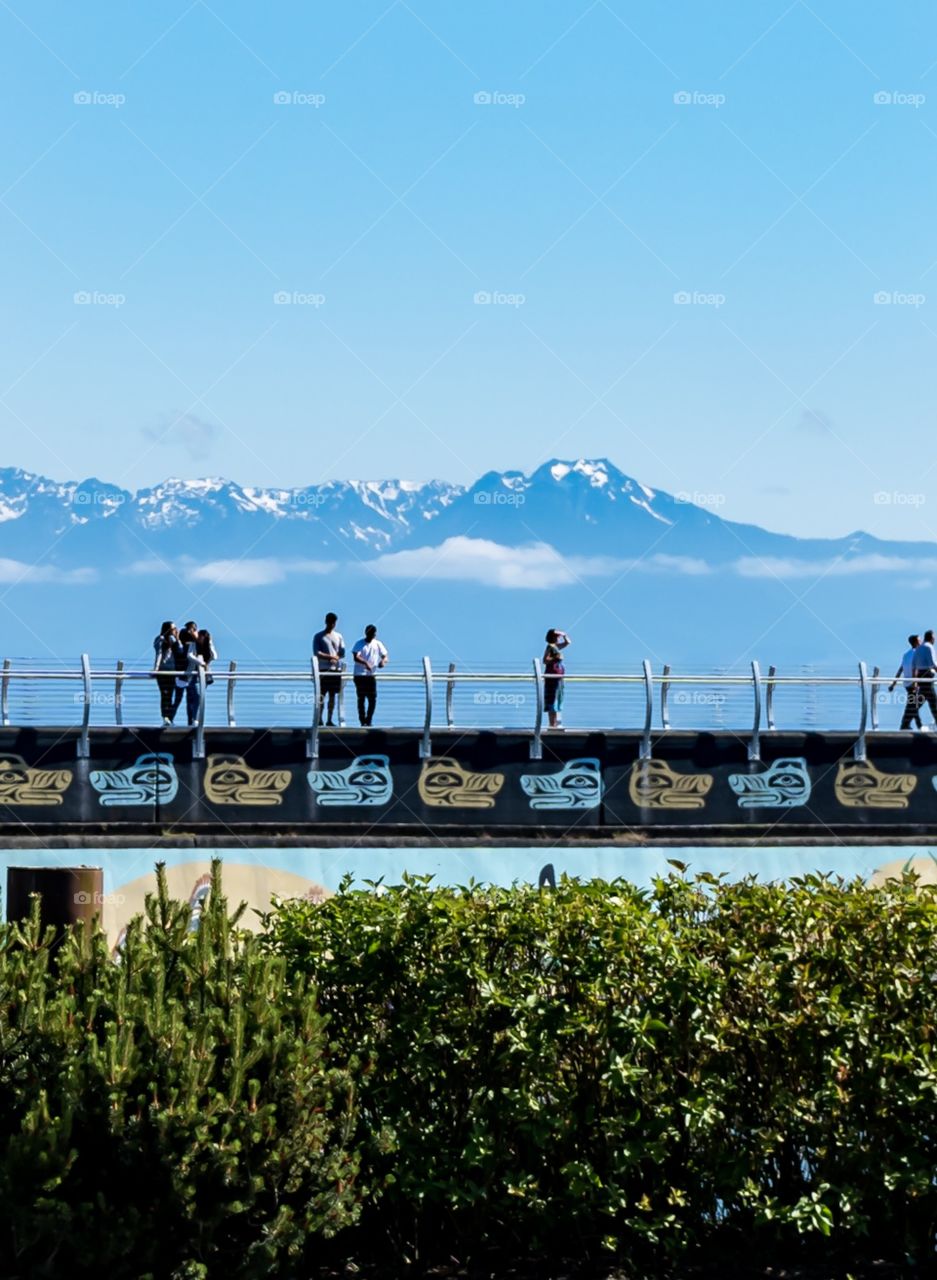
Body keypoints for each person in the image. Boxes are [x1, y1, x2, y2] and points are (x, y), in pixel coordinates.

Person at [352, 624, 389, 726]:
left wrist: (383, 662)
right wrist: (365, 663)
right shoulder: (359, 643)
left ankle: (368, 719)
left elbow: (385, 656)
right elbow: (356, 657)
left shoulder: (378, 644)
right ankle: (362, 720)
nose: (372, 636)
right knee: (361, 698)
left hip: (371, 675)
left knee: (372, 698)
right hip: (360, 675)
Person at [313, 612, 345, 726]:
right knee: (321, 695)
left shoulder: (339, 636)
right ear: (326, 621)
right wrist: (331, 657)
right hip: (323, 670)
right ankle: (320, 719)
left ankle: (329, 719)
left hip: (335, 670)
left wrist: (336, 657)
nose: (332, 624)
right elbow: (317, 652)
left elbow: (342, 652)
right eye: (330, 622)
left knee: (332, 696)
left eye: (333, 622)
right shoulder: (318, 636)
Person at [891, 633, 922, 731]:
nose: (921, 642)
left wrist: (893, 684)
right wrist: (915, 683)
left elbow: (901, 669)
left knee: (912, 704)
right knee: (913, 705)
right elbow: (915, 668)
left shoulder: (906, 654)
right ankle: (914, 725)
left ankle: (906, 725)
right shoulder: (918, 653)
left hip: (907, 684)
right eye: (919, 640)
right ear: (916, 642)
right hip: (914, 684)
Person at [152, 620, 182, 725]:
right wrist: (156, 669)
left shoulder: (175, 640)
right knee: (165, 694)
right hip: (163, 671)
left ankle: (170, 718)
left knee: (171, 695)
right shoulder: (160, 639)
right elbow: (159, 654)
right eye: (173, 629)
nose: (175, 630)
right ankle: (165, 717)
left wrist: (177, 639)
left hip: (173, 672)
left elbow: (180, 652)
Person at [543, 628, 570, 729]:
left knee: (557, 699)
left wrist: (564, 634)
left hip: (558, 677)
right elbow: (545, 660)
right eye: (556, 636)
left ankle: (555, 724)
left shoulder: (556, 647)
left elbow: (568, 642)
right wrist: (556, 658)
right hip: (552, 677)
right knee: (552, 700)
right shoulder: (550, 647)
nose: (558, 637)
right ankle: (552, 725)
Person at [911, 628, 937, 727]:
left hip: (920, 676)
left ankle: (909, 714)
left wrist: (915, 682)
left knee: (926, 700)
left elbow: (913, 666)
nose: (935, 640)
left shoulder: (919, 648)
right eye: (934, 638)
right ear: (931, 638)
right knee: (933, 702)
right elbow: (933, 664)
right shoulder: (929, 647)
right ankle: (909, 714)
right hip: (927, 676)